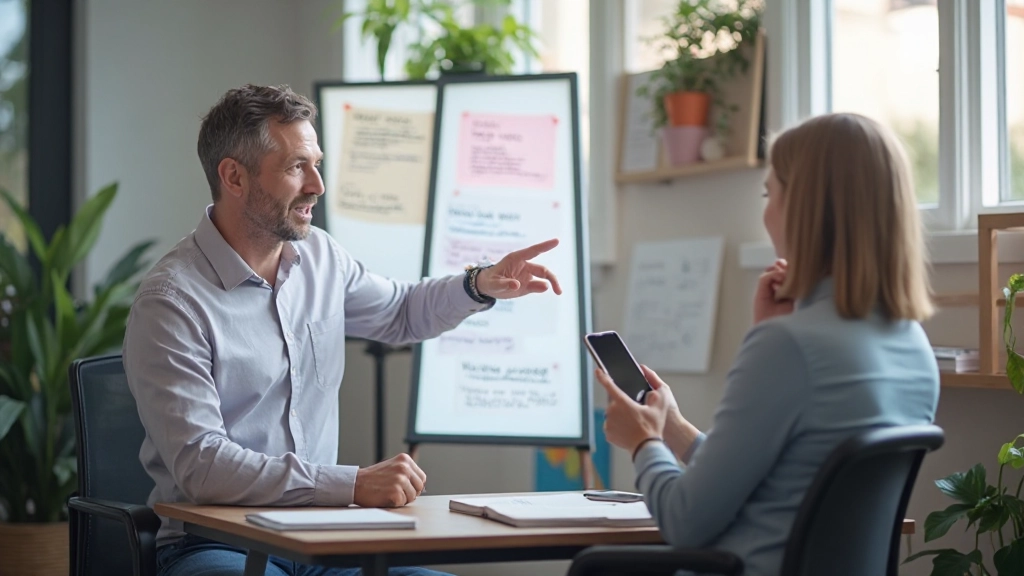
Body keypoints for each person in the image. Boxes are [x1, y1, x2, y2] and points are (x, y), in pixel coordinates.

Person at [124, 84, 563, 576]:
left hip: (321, 539)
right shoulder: (171, 302)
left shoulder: (321, 257)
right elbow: (203, 466)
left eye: (317, 164)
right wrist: (352, 485)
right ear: (234, 177)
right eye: (296, 167)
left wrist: (478, 284)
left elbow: (399, 312)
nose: (318, 185)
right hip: (214, 544)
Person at [596, 113, 939, 576]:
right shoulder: (913, 345)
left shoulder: (788, 347)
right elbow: (776, 479)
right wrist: (671, 427)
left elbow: (684, 521)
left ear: (803, 208)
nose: (766, 211)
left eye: (768, 192)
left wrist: (644, 443)